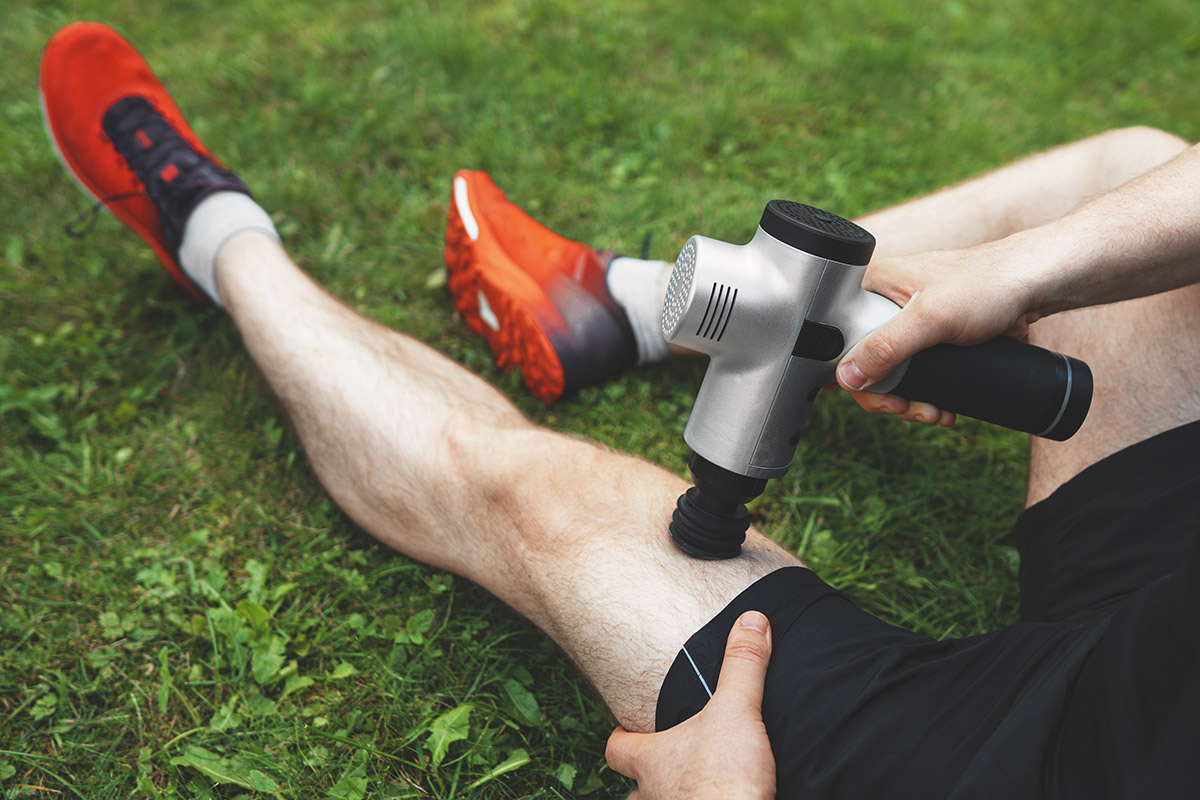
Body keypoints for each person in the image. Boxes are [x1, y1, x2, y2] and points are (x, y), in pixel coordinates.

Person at [39, 21, 1197, 799]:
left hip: (1050, 762)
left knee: (542, 503)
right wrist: (1030, 267)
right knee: (1136, 176)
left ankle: (214, 233)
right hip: (1168, 625)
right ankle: (623, 309)